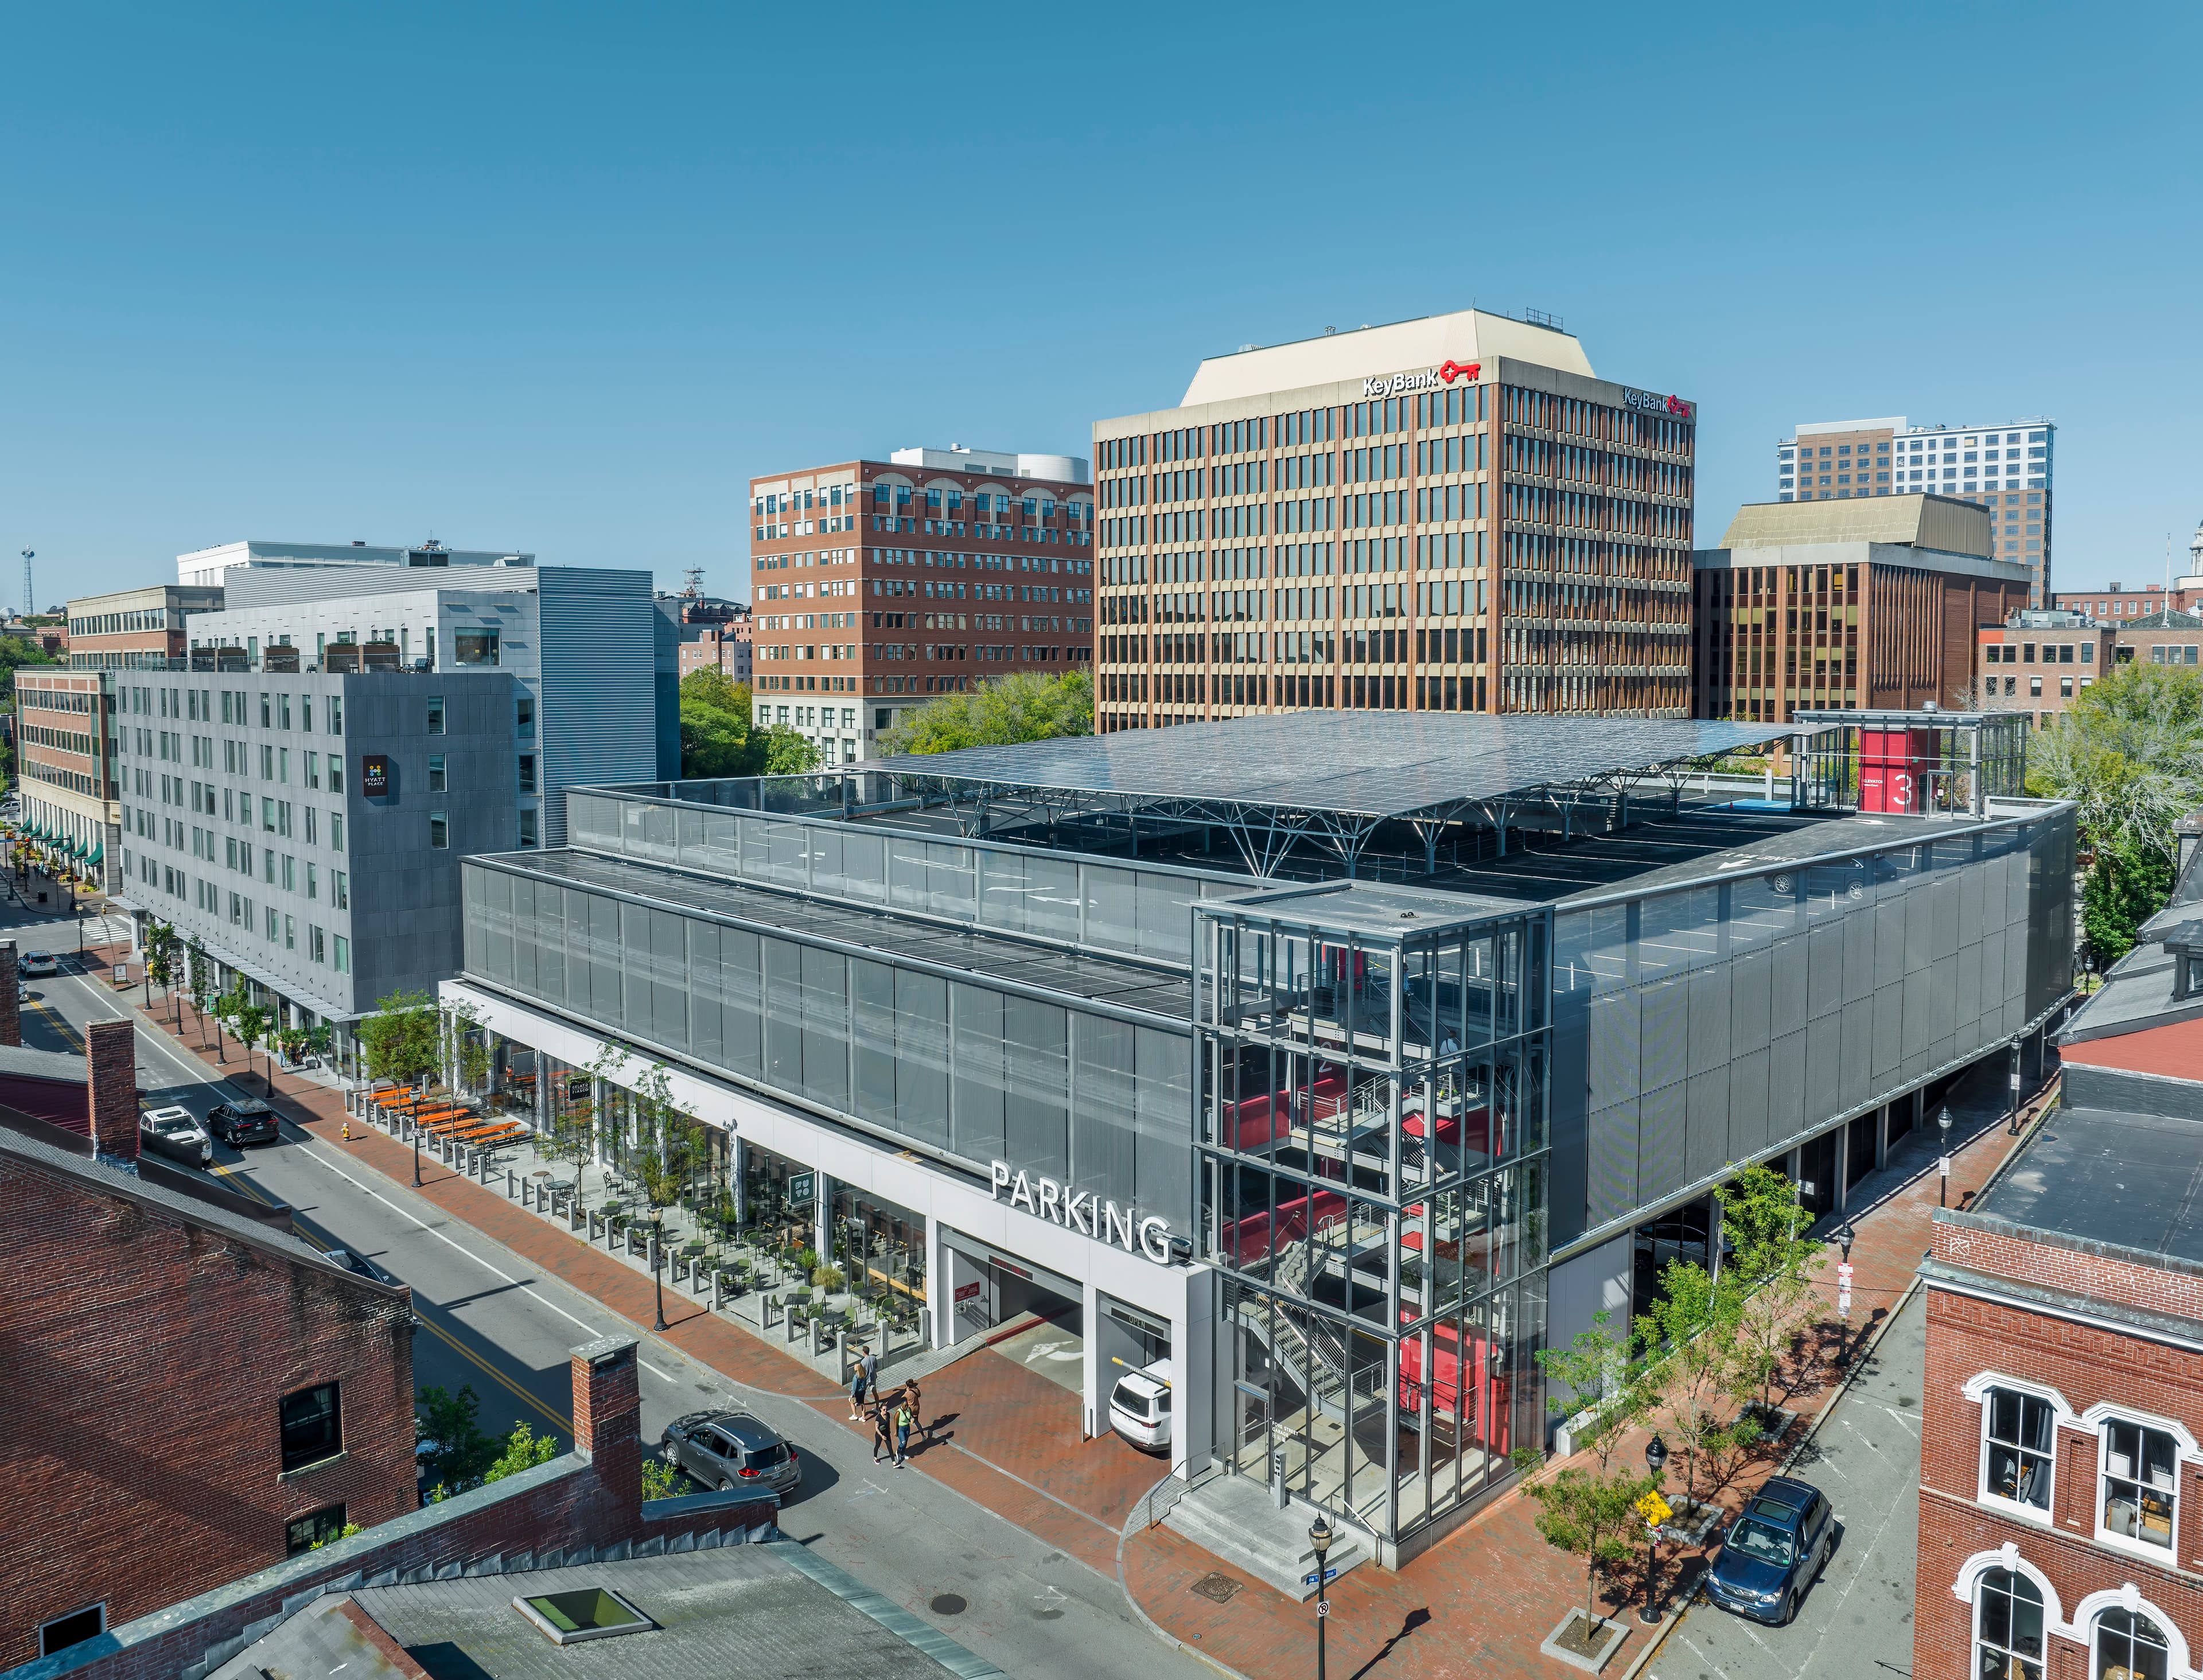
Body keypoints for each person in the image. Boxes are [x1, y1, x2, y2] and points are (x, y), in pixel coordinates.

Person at [901, 1376, 925, 1445]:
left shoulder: (908, 1393)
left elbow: (902, 1399)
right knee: (917, 1422)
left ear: (908, 1386)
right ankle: (923, 1435)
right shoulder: (916, 1390)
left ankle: (905, 1435)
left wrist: (907, 1392)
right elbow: (919, 1395)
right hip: (917, 1408)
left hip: (910, 1410)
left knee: (905, 1422)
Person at [870, 1401, 894, 1465]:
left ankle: (894, 1463)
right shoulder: (878, 1417)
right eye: (884, 1410)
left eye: (886, 1409)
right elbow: (877, 1428)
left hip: (887, 1434)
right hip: (880, 1434)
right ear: (881, 1409)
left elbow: (888, 1423)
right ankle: (875, 1457)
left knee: (890, 1447)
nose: (886, 1411)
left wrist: (889, 1430)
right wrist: (881, 1435)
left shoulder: (888, 1415)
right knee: (877, 1446)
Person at [893, 1395, 914, 1468]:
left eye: (907, 1405)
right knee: (903, 1442)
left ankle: (903, 1454)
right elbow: (895, 1421)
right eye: (905, 1406)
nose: (906, 1407)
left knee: (906, 1442)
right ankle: (898, 1452)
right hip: (901, 1428)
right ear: (902, 1405)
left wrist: (912, 1420)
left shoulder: (909, 1409)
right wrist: (896, 1431)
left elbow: (911, 1417)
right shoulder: (898, 1412)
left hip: (907, 1427)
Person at [847, 1352, 869, 1421]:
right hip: (863, 1391)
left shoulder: (855, 1377)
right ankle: (863, 1417)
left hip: (857, 1392)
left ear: (857, 1369)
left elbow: (854, 1387)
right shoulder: (864, 1375)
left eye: (855, 1367)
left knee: (852, 1402)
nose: (854, 1367)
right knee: (862, 1403)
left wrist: (852, 1395)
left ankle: (855, 1415)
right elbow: (865, 1383)